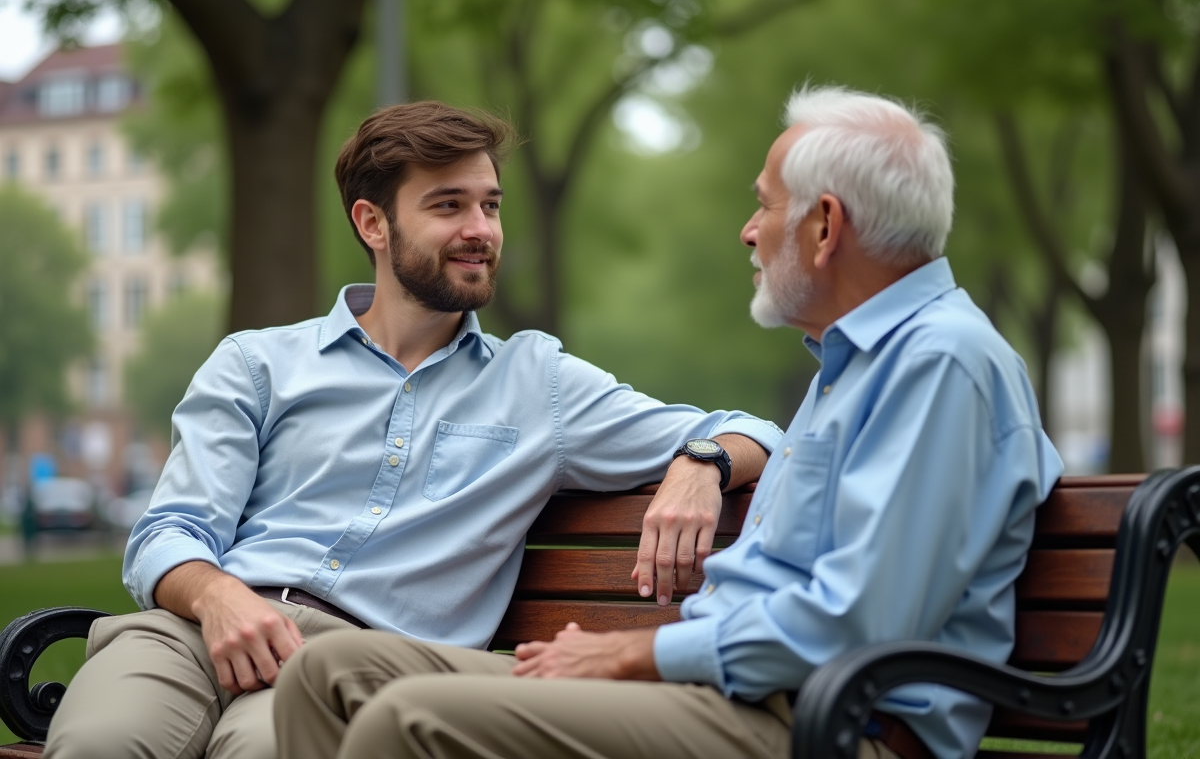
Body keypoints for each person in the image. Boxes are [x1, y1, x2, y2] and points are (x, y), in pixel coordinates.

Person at [270, 86, 1064, 759]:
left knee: (408, 721)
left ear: (825, 227)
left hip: (824, 723)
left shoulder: (941, 365)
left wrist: (629, 654)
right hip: (736, 693)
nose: (749, 232)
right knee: (327, 671)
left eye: (765, 205)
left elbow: (859, 622)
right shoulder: (854, 367)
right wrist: (703, 460)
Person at [42, 101, 782, 759]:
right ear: (373, 223)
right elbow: (170, 528)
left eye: (490, 206)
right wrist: (217, 598)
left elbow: (755, 431)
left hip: (352, 674)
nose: (480, 230)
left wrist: (701, 460)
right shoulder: (258, 363)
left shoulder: (540, 384)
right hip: (191, 632)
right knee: (99, 742)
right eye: (449, 206)